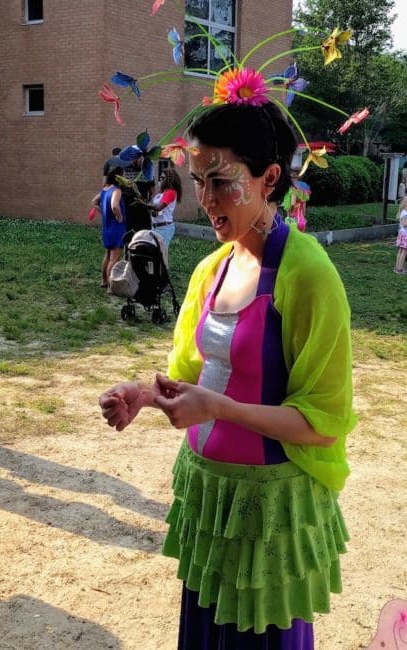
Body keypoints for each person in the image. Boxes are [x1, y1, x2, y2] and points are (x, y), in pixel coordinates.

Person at [99, 101, 356, 648]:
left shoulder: (308, 274)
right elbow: (191, 373)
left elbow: (322, 423)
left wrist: (218, 410)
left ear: (268, 179)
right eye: (198, 181)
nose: (206, 200)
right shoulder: (212, 268)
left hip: (268, 513)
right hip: (210, 502)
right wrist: (143, 394)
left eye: (221, 181)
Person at [92, 165, 126, 288]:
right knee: (114, 259)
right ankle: (111, 287)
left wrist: (104, 213)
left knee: (107, 255)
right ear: (118, 177)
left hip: (107, 227)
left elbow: (94, 202)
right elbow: (114, 205)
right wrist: (120, 216)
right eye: (123, 174)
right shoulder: (116, 191)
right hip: (117, 228)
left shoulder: (105, 190)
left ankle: (104, 281)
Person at [148, 167, 183, 249]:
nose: (160, 180)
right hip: (155, 227)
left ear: (169, 180)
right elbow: (156, 210)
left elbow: (159, 207)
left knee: (161, 253)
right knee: (154, 253)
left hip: (164, 228)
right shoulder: (161, 194)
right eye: (160, 177)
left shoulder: (170, 192)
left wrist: (145, 205)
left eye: (163, 178)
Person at [394, 196, 407, 274]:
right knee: (404, 251)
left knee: (400, 250)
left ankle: (397, 267)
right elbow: (404, 224)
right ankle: (400, 269)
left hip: (402, 233)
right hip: (405, 234)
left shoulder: (403, 211)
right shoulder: (406, 213)